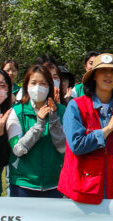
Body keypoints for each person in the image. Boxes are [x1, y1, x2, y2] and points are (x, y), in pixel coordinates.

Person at [58, 54, 113, 204]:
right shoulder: (76, 106)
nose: (109, 75)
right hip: (81, 189)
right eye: (103, 70)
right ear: (94, 76)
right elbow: (77, 145)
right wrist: (109, 128)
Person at [6, 65, 67, 197]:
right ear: (26, 86)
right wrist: (38, 125)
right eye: (33, 83)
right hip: (23, 184)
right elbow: (18, 149)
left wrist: (53, 119)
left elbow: (63, 148)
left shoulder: (62, 111)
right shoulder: (17, 112)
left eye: (43, 83)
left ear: (49, 86)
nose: (38, 87)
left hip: (54, 183)